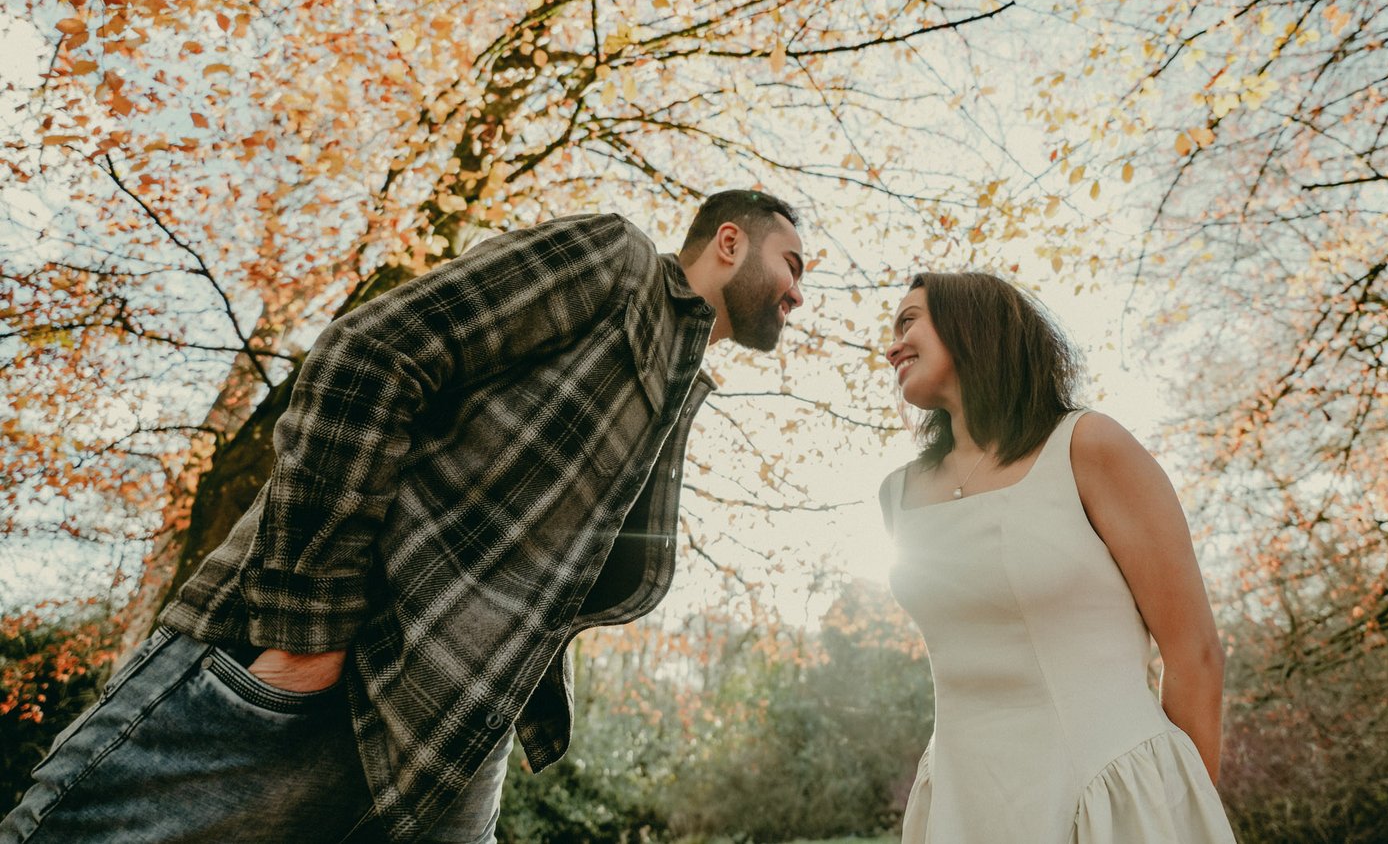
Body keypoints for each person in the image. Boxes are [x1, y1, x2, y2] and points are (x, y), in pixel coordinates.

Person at [2, 191, 806, 844]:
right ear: (729, 241)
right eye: (792, 263)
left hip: (447, 752)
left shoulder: (674, 386)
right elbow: (370, 357)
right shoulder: (615, 261)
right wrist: (306, 635)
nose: (799, 293)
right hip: (313, 681)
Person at [879, 271, 1236, 842]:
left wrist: (1179, 815)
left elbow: (1195, 654)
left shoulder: (1089, 445)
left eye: (908, 322)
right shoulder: (897, 495)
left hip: (1112, 803)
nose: (892, 346)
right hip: (964, 808)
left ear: (971, 324)